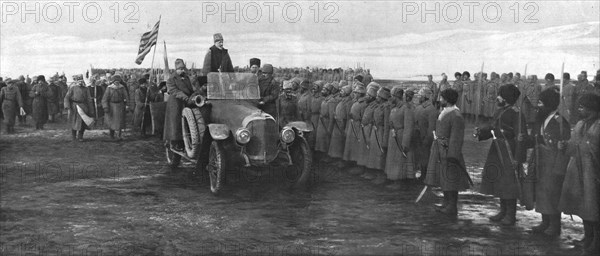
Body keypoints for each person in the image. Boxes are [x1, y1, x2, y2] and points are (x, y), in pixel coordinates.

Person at [519, 87, 570, 236]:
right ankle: (545, 221)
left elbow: (564, 146)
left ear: (549, 104)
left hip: (552, 162)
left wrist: (560, 166)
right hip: (539, 159)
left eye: (541, 103)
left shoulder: (560, 122)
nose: (538, 106)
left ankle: (555, 225)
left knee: (552, 192)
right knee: (540, 191)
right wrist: (525, 139)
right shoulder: (540, 118)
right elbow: (534, 139)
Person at [476, 84, 527, 225]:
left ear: (506, 98)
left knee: (509, 183)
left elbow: (521, 137)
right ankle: (503, 210)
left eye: (500, 95)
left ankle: (510, 215)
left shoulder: (517, 113)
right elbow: (493, 128)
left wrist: (518, 158)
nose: (497, 97)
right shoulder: (500, 111)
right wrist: (481, 132)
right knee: (500, 181)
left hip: (510, 152)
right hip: (497, 149)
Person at [558, 93, 600, 255]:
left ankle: (596, 241)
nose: (580, 110)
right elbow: (573, 146)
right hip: (578, 171)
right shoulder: (580, 124)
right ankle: (587, 236)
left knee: (595, 207)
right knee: (584, 206)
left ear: (593, 108)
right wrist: (565, 146)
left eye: (583, 107)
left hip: (594, 172)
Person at [424, 88, 470, 217]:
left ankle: (452, 206)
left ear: (448, 99)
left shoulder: (456, 115)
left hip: (449, 152)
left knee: (450, 180)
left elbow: (456, 137)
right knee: (444, 178)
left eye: (442, 98)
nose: (440, 100)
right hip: (440, 148)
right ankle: (446, 203)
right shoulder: (444, 111)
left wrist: (453, 155)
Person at [164, 59, 198, 150]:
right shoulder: (171, 79)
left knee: (186, 124)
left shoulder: (186, 78)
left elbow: (191, 89)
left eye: (184, 69)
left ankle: (185, 142)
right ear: (176, 69)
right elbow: (175, 91)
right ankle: (174, 144)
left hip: (185, 103)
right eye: (181, 69)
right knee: (175, 124)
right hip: (175, 104)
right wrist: (187, 98)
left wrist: (194, 95)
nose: (183, 71)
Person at [385, 88, 417, 184]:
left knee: (400, 161)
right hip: (394, 137)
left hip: (401, 137)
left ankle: (400, 182)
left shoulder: (406, 108)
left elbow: (409, 126)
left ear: (396, 96)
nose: (390, 98)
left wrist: (405, 143)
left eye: (392, 96)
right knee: (395, 160)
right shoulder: (395, 107)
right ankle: (395, 180)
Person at [414, 88, 438, 182]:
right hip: (417, 137)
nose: (419, 98)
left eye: (420, 96)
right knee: (419, 157)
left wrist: (427, 139)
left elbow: (431, 127)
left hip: (424, 138)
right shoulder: (419, 107)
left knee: (425, 157)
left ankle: (425, 176)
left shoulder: (431, 109)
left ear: (424, 97)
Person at [342, 85, 368, 171]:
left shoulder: (363, 104)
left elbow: (364, 117)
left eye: (356, 93)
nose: (354, 94)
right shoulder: (355, 101)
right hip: (352, 124)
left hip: (357, 126)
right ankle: (350, 161)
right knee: (350, 144)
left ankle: (358, 165)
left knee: (357, 145)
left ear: (360, 94)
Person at [64, 75, 94, 141]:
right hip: (74, 106)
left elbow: (89, 99)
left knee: (83, 122)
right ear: (76, 81)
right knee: (74, 121)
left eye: (81, 81)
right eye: (79, 81)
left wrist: (91, 109)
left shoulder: (86, 89)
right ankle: (73, 136)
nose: (80, 82)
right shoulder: (72, 88)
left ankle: (80, 136)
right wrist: (68, 106)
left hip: (83, 106)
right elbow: (67, 97)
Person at [328, 85, 353, 165]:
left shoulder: (349, 102)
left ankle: (342, 160)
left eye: (342, 91)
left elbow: (348, 116)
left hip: (343, 124)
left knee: (341, 142)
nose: (340, 92)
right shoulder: (342, 100)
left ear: (346, 93)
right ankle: (336, 157)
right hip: (337, 123)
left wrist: (345, 127)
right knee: (336, 142)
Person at [102, 74, 128, 140]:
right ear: (113, 81)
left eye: (118, 81)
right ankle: (112, 135)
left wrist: (127, 105)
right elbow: (105, 98)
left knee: (120, 121)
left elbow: (126, 97)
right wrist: (105, 107)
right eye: (115, 81)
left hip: (120, 106)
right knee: (112, 121)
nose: (117, 82)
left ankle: (119, 135)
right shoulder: (109, 88)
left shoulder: (122, 87)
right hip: (112, 106)